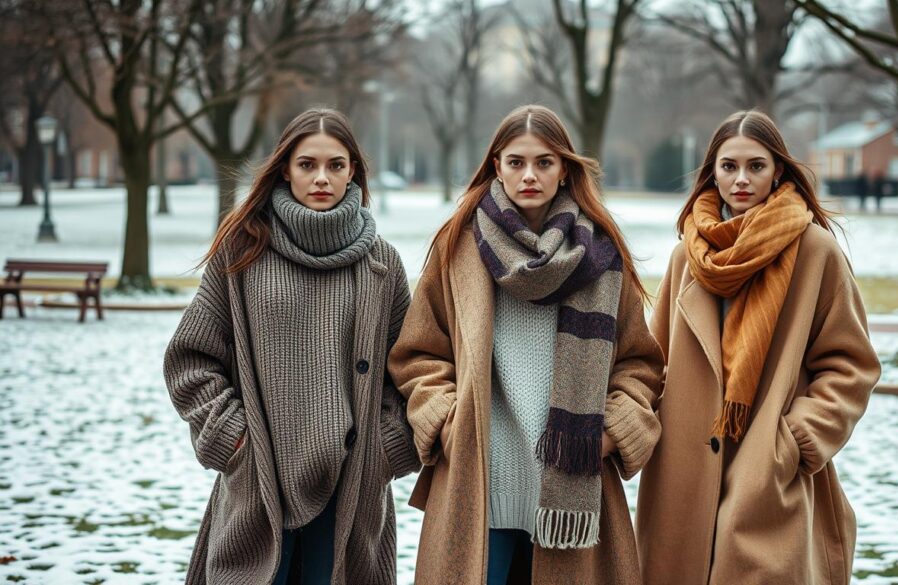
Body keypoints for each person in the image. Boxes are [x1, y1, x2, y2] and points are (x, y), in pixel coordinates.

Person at [388, 105, 663, 585]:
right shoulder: (459, 245)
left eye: (544, 162)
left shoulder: (600, 254)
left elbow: (638, 364)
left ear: (564, 170)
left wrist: (609, 433)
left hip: (572, 487)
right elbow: (418, 354)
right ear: (497, 166)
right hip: (478, 479)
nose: (529, 175)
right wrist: (449, 421)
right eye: (516, 162)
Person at [164, 108, 420, 585]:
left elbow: (408, 369)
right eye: (307, 164)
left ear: (353, 172)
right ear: (285, 169)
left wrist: (385, 448)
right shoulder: (243, 250)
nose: (322, 177)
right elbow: (191, 360)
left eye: (335, 165)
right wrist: (234, 441)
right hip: (260, 478)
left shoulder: (381, 264)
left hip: (352, 484)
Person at [636, 110, 881, 585]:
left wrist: (793, 442)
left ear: (778, 171)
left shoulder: (816, 252)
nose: (742, 179)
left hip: (768, 468)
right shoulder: (688, 256)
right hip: (684, 474)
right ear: (713, 172)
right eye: (729, 166)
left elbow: (851, 366)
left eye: (756, 166)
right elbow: (653, 361)